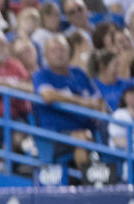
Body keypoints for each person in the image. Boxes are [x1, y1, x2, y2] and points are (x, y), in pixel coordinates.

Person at [33, 35, 106, 171]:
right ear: (46, 55)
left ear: (69, 52)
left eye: (62, 50)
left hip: (88, 128)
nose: (59, 54)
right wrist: (82, 102)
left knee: (109, 133)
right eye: (54, 51)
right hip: (55, 134)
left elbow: (98, 100)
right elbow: (48, 95)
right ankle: (89, 184)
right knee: (82, 138)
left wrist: (97, 109)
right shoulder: (41, 74)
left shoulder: (78, 73)